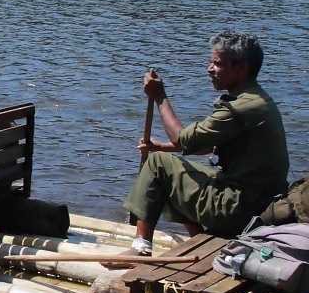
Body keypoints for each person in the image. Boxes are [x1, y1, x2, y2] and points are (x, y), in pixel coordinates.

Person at [122, 30, 289, 255]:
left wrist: (160, 97)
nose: (210, 70)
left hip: (238, 209)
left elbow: (183, 139)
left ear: (241, 69)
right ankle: (199, 238)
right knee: (178, 168)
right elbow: (204, 146)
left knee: (159, 165)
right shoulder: (257, 100)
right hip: (258, 203)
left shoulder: (241, 108)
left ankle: (140, 248)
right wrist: (160, 146)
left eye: (217, 64)